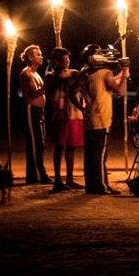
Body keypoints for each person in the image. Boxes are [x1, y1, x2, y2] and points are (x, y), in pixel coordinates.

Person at [79, 43, 130, 195]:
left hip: (89, 117)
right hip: (101, 118)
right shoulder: (104, 73)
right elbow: (119, 91)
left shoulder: (83, 73)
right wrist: (125, 75)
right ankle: (101, 186)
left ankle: (92, 185)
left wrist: (82, 107)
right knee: (100, 155)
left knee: (90, 156)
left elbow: (103, 84)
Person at [43, 47, 84, 192]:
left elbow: (79, 87)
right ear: (56, 61)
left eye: (68, 59)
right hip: (60, 114)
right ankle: (58, 179)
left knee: (72, 147)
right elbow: (48, 91)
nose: (67, 62)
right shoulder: (50, 76)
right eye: (64, 59)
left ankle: (70, 178)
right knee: (59, 146)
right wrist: (63, 79)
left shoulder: (74, 73)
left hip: (74, 113)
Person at [19, 44, 51, 184]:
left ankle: (37, 173)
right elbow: (32, 93)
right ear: (30, 57)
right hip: (31, 110)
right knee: (35, 143)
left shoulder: (36, 73)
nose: (41, 56)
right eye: (38, 54)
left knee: (40, 142)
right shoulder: (26, 74)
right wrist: (48, 86)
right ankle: (37, 175)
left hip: (39, 111)